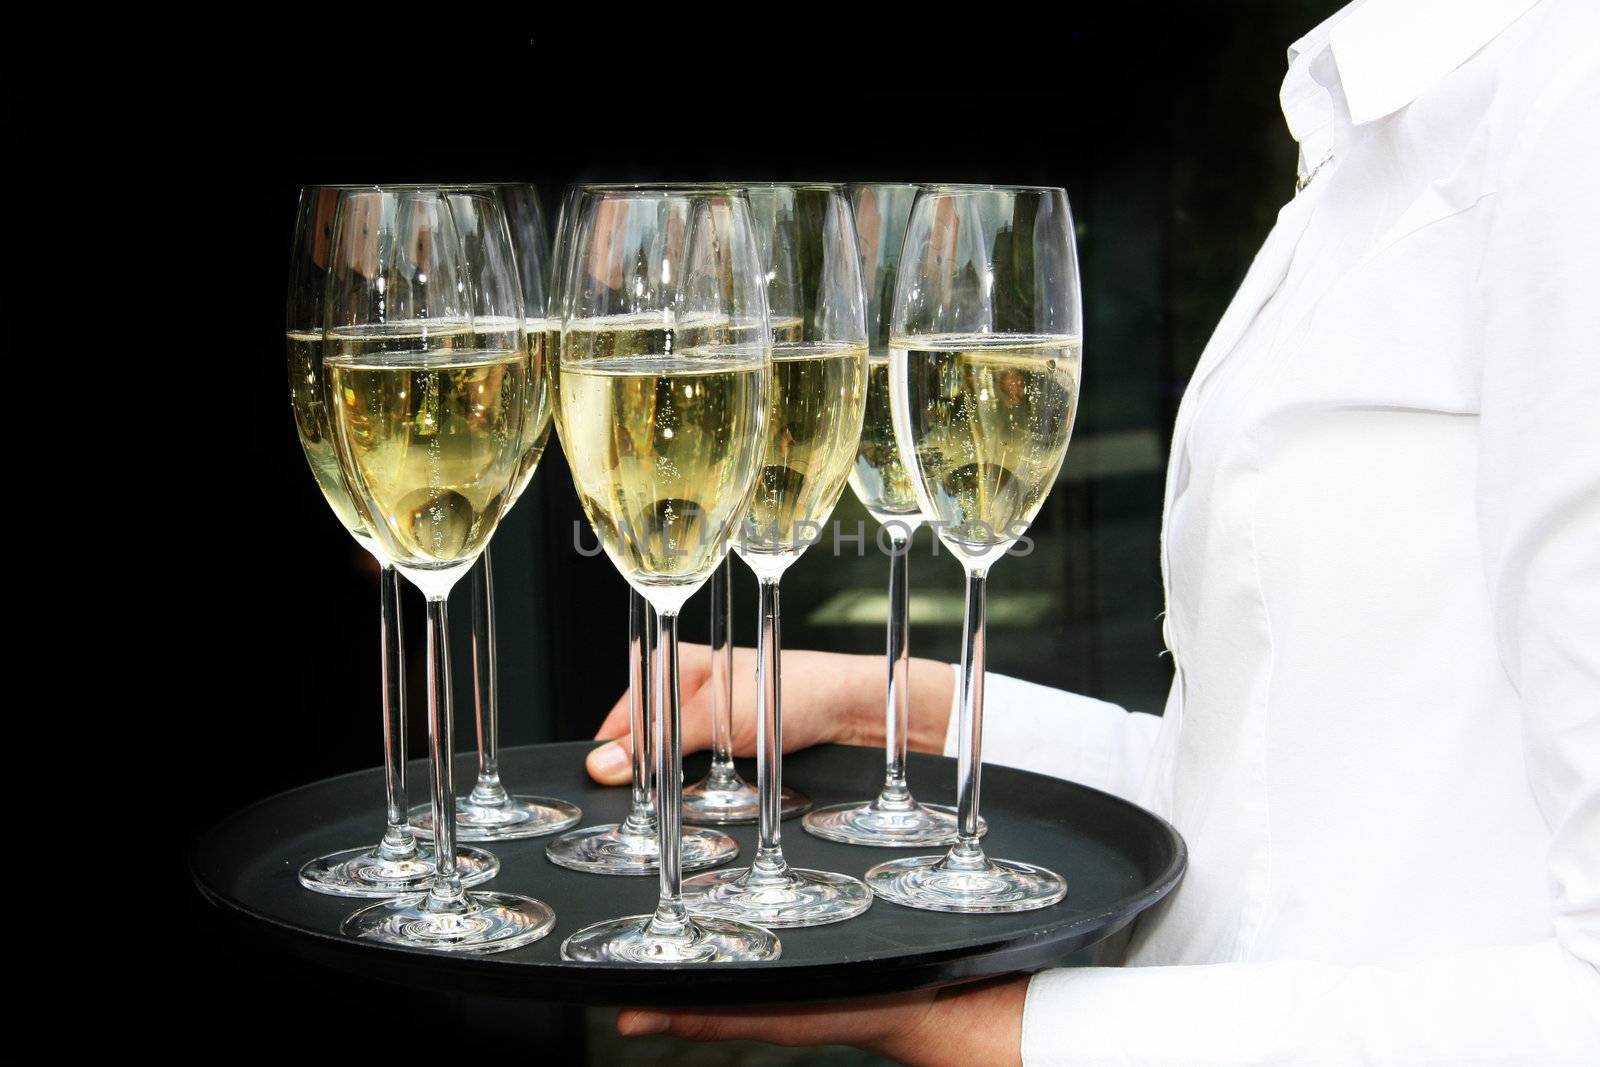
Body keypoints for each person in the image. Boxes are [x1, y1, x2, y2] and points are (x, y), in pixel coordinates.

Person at [584, 0, 1600, 1061]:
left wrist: (1004, 1028)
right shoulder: (1392, 111)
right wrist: (908, 715)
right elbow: (1272, 798)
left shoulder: (1564, 101)